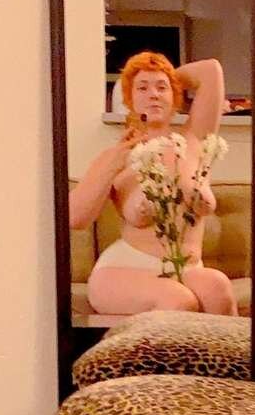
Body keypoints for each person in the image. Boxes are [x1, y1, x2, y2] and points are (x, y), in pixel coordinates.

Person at [69, 52, 238, 317]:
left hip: (185, 269)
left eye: (162, 88)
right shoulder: (118, 154)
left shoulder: (194, 140)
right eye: (142, 89)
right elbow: (75, 217)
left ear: (175, 95)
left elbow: (210, 71)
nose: (153, 95)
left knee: (219, 288)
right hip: (125, 270)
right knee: (179, 301)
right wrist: (114, 165)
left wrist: (165, 76)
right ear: (128, 98)